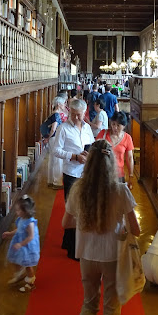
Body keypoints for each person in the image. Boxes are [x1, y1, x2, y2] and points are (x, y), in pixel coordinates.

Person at [63, 140, 140, 315]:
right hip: (111, 257)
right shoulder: (120, 190)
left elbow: (66, 223)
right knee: (111, 314)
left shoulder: (78, 189)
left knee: (88, 306)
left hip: (86, 255)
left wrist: (88, 220)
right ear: (109, 165)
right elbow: (135, 229)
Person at [53, 99, 94, 259]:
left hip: (85, 173)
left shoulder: (87, 128)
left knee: (83, 209)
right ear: (69, 112)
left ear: (84, 113)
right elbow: (55, 150)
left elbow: (91, 144)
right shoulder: (63, 129)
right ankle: (72, 249)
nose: (77, 118)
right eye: (74, 115)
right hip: (71, 174)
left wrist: (89, 154)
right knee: (72, 210)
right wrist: (74, 156)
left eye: (80, 115)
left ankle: (67, 241)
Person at [2, 195, 40, 292]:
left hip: (27, 246)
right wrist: (10, 233)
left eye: (18, 210)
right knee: (15, 259)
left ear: (26, 211)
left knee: (28, 264)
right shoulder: (21, 219)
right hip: (20, 242)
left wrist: (21, 244)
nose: (16, 212)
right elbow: (19, 229)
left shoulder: (29, 223)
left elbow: (31, 236)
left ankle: (30, 282)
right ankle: (20, 274)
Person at [97, 111, 134, 188]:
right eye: (113, 124)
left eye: (118, 125)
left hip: (119, 174)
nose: (115, 128)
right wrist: (100, 151)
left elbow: (129, 158)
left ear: (124, 126)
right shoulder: (103, 134)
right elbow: (94, 150)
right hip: (103, 173)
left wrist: (131, 175)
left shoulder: (127, 138)